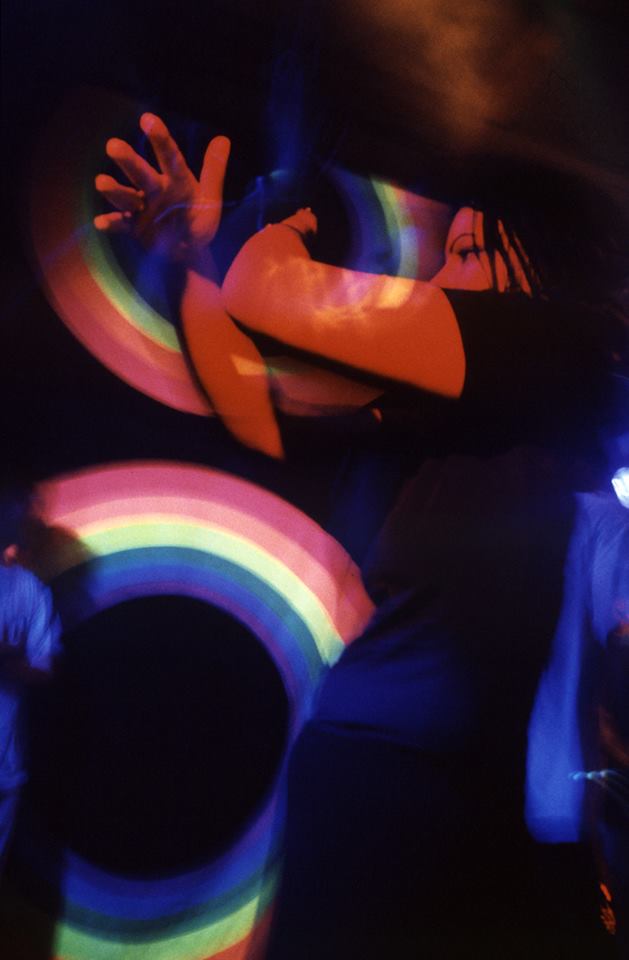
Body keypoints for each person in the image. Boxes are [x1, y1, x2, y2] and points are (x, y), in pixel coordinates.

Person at [94, 115, 627, 956]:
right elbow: (257, 415)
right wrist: (194, 261)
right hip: (380, 781)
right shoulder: (454, 417)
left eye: (469, 253)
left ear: (536, 262)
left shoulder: (557, 346)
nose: (441, 277)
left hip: (470, 799)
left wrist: (278, 224)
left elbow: (271, 294)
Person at [0, 480, 61, 873]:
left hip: (5, 767)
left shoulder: (31, 591)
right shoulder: (31, 590)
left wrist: (8, 663)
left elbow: (44, 668)